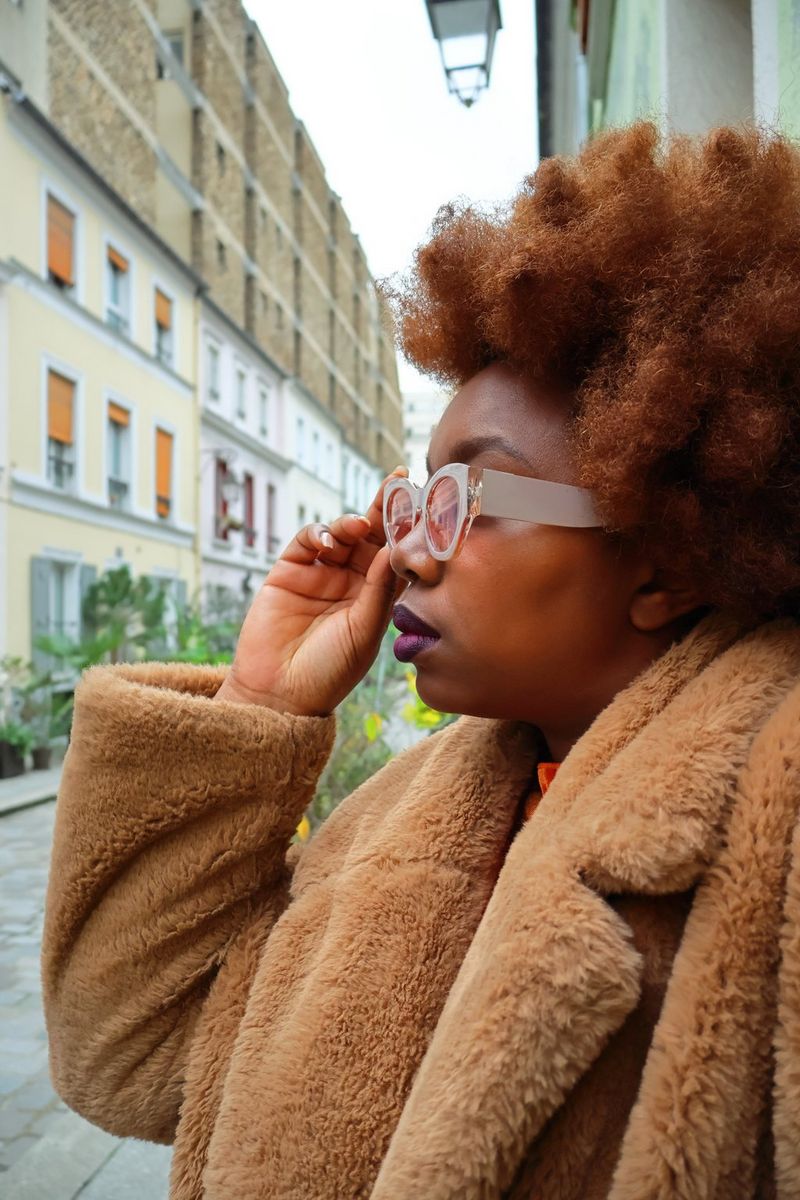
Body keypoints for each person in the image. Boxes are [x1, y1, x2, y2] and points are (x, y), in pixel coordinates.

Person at [42, 123, 800, 1200]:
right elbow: (132, 1059)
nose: (407, 552)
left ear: (663, 557)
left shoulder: (777, 823)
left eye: (466, 500)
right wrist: (259, 702)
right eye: (415, 500)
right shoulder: (407, 813)